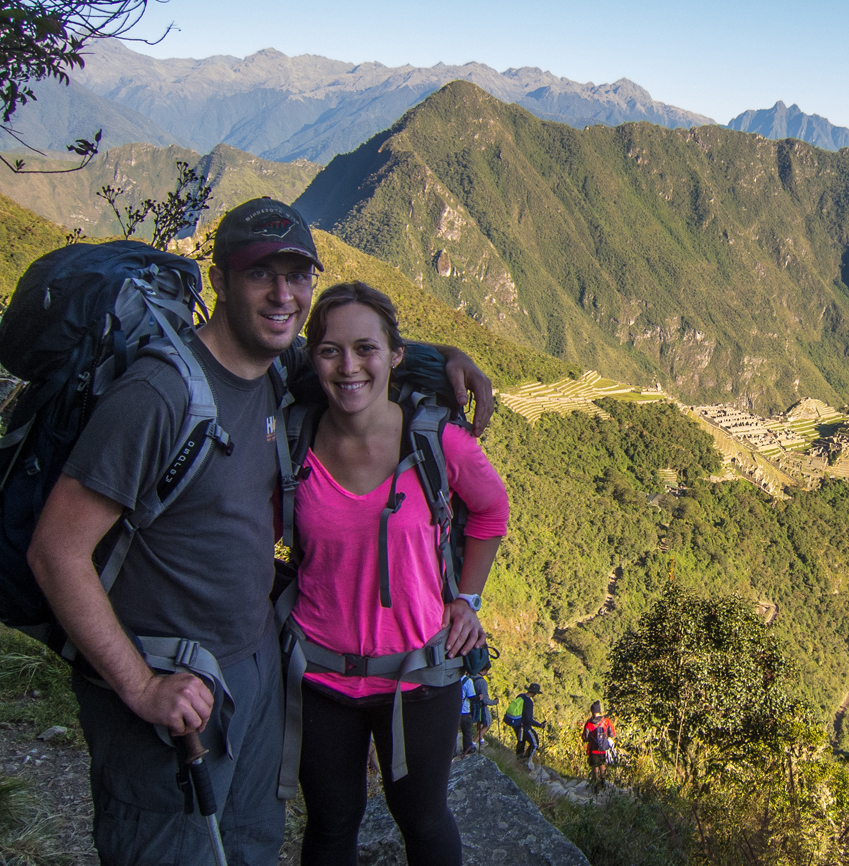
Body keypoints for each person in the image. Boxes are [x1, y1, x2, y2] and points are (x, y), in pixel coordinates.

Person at [26, 198, 494, 865]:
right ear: (218, 281)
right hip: (170, 686)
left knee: (249, 845)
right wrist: (138, 686)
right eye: (258, 274)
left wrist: (445, 356)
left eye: (296, 274)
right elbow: (56, 551)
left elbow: (358, 358)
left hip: (256, 677)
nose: (283, 294)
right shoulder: (160, 396)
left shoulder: (278, 374)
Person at [290, 282, 508, 866]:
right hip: (319, 675)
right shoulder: (294, 439)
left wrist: (467, 598)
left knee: (424, 819)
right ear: (312, 360)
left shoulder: (438, 441)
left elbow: (491, 510)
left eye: (367, 349)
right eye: (330, 351)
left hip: (419, 674)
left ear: (395, 355)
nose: (350, 366)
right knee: (332, 824)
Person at [581, 701, 616, 789]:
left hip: (593, 749)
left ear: (592, 712)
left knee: (595, 766)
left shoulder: (589, 723)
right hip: (603, 748)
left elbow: (585, 737)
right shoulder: (606, 721)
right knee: (602, 764)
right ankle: (603, 782)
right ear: (599, 711)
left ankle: (596, 784)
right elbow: (612, 734)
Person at [514, 683, 547, 763]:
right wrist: (540, 725)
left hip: (516, 724)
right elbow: (529, 719)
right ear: (534, 693)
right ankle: (525, 761)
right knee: (534, 744)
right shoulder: (529, 702)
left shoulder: (520, 696)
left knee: (521, 742)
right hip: (525, 727)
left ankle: (518, 760)